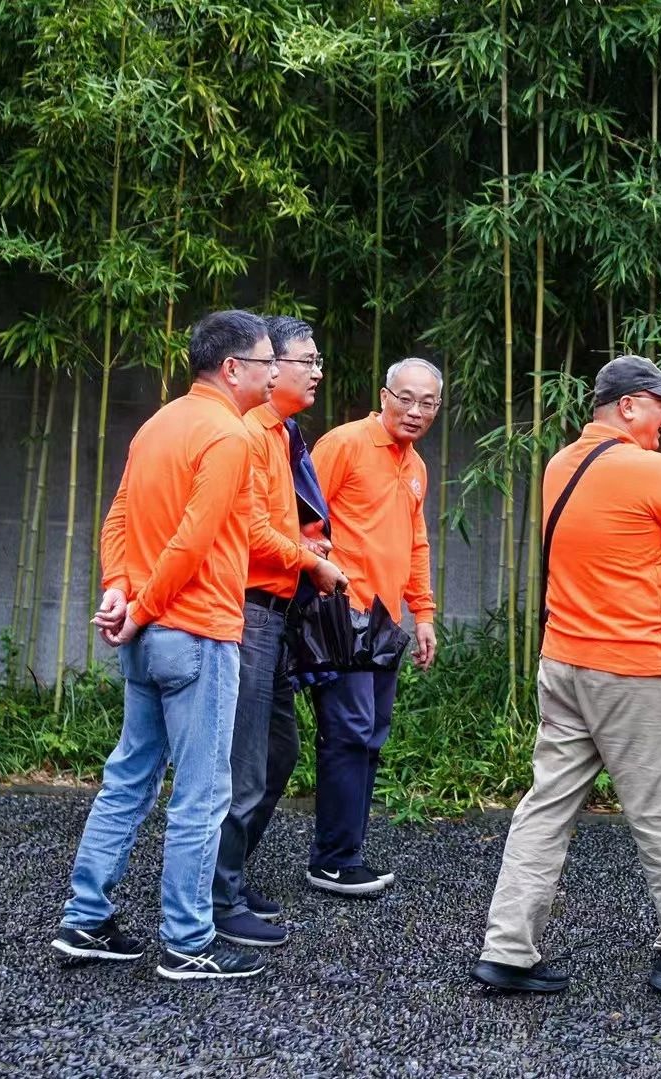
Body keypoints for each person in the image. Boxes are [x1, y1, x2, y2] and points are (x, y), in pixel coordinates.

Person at [471, 356, 661, 998]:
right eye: (659, 402)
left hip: (563, 663)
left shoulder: (559, 465)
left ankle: (507, 949)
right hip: (634, 670)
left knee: (545, 809)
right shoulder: (650, 469)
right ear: (627, 406)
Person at [51, 309, 277, 981]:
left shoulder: (158, 424)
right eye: (267, 361)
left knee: (128, 776)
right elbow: (194, 539)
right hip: (198, 632)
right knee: (202, 793)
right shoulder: (229, 436)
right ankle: (188, 941)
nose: (275, 372)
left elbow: (119, 517)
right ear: (233, 367)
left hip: (148, 633)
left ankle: (85, 918)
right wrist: (142, 604)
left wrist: (121, 592)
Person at [210, 315, 347, 948]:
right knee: (247, 761)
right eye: (304, 360)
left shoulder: (285, 433)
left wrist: (310, 553)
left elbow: (279, 523)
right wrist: (310, 560)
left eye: (318, 361)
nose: (316, 371)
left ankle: (229, 879)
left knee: (277, 751)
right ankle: (217, 898)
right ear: (267, 368)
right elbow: (250, 528)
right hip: (248, 608)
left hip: (277, 611)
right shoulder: (249, 432)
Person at [305, 358, 442, 895]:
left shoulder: (416, 464)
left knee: (371, 735)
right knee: (350, 732)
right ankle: (334, 859)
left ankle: (346, 854)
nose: (415, 411)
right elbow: (301, 520)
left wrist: (423, 613)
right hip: (342, 612)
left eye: (427, 403)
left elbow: (416, 541)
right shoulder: (344, 444)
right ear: (384, 396)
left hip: (385, 621)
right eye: (405, 398)